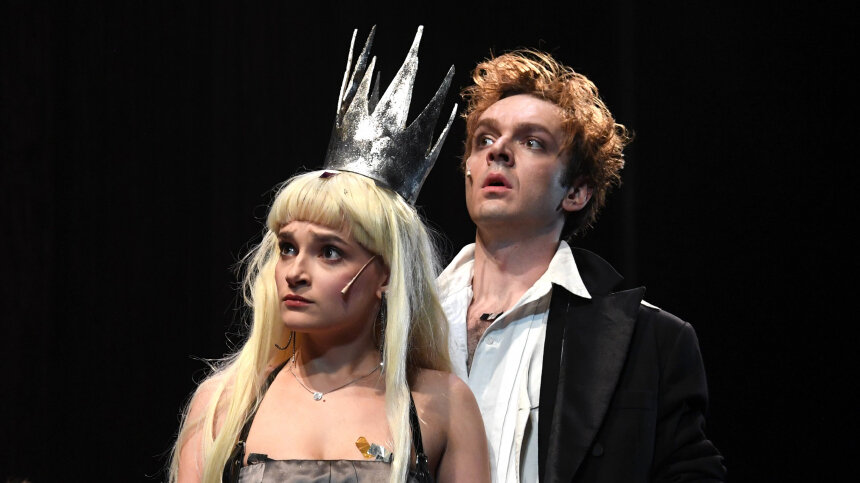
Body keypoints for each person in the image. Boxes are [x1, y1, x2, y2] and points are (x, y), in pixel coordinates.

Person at [169, 27, 490, 483]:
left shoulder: (443, 406)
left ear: (386, 275)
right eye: (287, 247)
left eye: (330, 252)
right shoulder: (223, 404)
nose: (295, 272)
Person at [436, 50, 726, 482]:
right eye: (484, 139)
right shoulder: (400, 319)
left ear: (575, 192)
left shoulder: (649, 340)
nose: (498, 151)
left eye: (532, 142)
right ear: (468, 173)